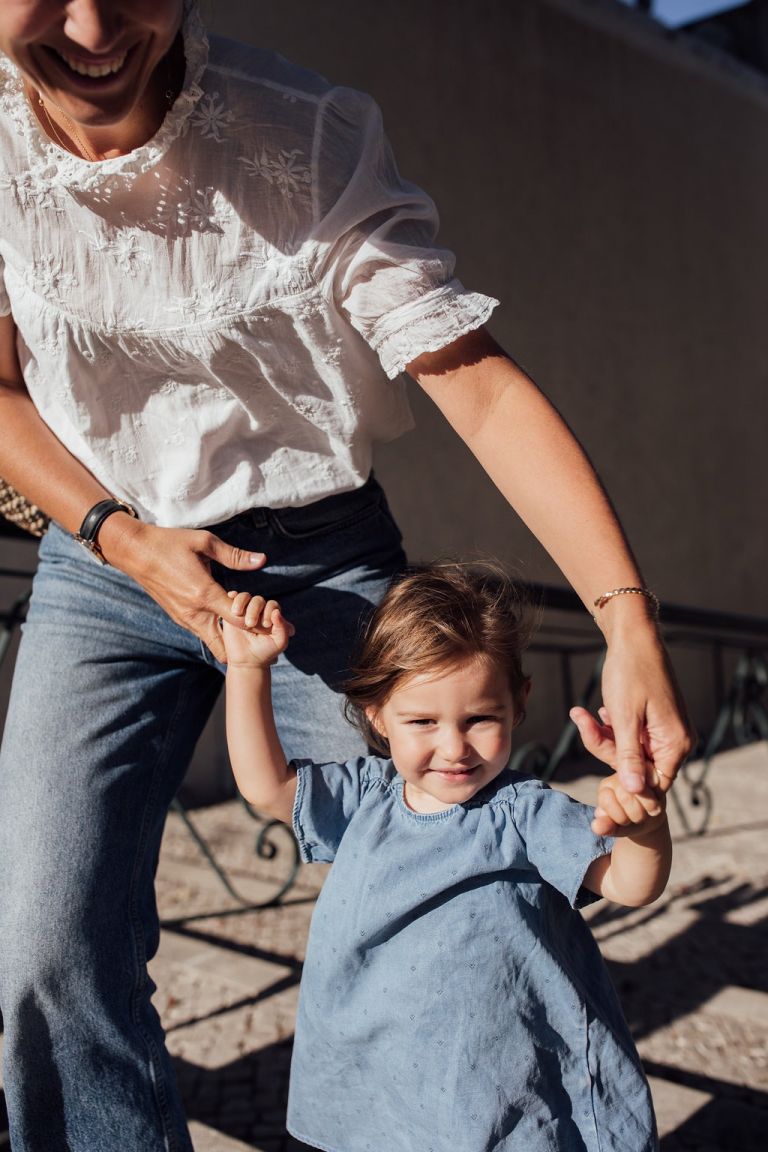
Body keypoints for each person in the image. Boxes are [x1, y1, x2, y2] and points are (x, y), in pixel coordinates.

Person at [0, 1, 689, 1147]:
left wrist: (628, 622)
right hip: (105, 559)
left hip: (317, 555)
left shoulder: (305, 136)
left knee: (441, 891)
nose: (91, 22)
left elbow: (477, 389)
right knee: (42, 946)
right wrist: (120, 536)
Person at [220, 562, 671, 1152]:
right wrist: (248, 670)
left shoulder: (524, 814)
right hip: (384, 1081)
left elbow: (631, 885)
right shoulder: (365, 796)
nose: (454, 747)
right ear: (378, 715)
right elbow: (266, 787)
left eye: (479, 718)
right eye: (423, 722)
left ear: (518, 703)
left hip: (500, 1089)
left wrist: (646, 827)